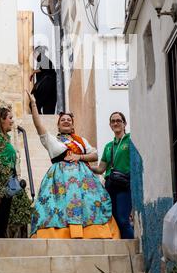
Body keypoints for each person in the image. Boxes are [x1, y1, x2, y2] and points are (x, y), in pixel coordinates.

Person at [27, 91, 120, 239]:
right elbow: (38, 125)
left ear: (72, 125)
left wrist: (79, 156)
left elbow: (94, 155)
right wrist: (33, 104)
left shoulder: (81, 141)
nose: (66, 121)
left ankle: (94, 233)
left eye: (69, 120)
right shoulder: (52, 141)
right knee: (55, 207)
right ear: (58, 125)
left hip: (84, 180)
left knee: (90, 205)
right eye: (62, 119)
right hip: (58, 181)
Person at [91, 112, 134, 239]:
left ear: (124, 123)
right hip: (110, 185)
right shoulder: (108, 146)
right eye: (113, 121)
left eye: (118, 120)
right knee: (113, 220)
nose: (116, 123)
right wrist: (85, 166)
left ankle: (132, 248)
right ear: (110, 125)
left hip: (124, 184)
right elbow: (101, 169)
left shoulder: (130, 139)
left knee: (123, 219)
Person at [0, 107, 17, 238]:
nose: (12, 121)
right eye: (10, 118)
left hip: (8, 181)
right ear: (1, 118)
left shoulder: (5, 137)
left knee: (3, 215)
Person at [30, 46, 57, 114]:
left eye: (34, 54)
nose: (34, 57)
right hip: (51, 88)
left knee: (33, 104)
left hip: (46, 85)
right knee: (48, 110)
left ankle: (38, 119)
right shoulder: (44, 59)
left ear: (37, 52)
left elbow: (44, 67)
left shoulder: (42, 58)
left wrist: (33, 72)